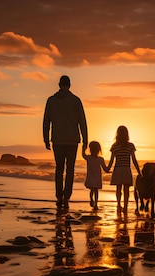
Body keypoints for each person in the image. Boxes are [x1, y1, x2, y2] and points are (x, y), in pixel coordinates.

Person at [43, 75, 88, 209]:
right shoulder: (75, 101)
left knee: (59, 168)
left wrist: (46, 138)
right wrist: (86, 140)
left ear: (59, 84)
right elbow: (82, 122)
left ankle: (59, 196)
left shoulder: (51, 101)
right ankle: (67, 196)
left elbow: (46, 121)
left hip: (57, 139)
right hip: (73, 140)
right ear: (70, 85)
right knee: (70, 169)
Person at [107, 126, 141, 215]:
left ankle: (118, 205)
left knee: (118, 189)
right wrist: (139, 171)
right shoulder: (130, 145)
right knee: (126, 190)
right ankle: (125, 207)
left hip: (118, 169)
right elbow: (134, 160)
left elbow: (111, 160)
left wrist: (107, 169)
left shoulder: (114, 146)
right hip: (126, 169)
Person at [82, 141, 109, 210]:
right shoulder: (100, 159)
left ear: (90, 149)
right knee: (96, 191)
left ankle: (92, 200)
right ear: (98, 150)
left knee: (92, 190)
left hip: (91, 177)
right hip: (97, 178)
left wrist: (83, 147)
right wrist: (110, 170)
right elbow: (105, 169)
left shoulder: (89, 158)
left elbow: (83, 155)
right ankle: (95, 203)